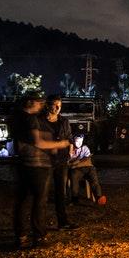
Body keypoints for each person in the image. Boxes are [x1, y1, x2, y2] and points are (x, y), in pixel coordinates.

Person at [7, 93, 72, 249]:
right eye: (40, 102)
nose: (42, 105)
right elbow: (38, 142)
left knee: (22, 201)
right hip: (37, 165)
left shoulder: (16, 118)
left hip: (22, 164)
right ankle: (39, 235)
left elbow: (20, 143)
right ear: (30, 102)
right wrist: (59, 144)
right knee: (39, 201)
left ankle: (21, 236)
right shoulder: (30, 119)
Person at [43, 96, 77, 228]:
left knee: (60, 192)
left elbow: (69, 138)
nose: (57, 108)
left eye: (60, 106)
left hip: (61, 160)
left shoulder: (64, 121)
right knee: (43, 192)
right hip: (46, 160)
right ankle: (40, 223)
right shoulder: (41, 122)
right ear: (48, 105)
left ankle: (62, 221)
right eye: (55, 105)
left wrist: (70, 151)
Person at [68, 135, 105, 207]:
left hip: (88, 167)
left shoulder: (85, 148)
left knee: (94, 179)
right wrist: (71, 153)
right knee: (74, 177)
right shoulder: (70, 149)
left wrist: (78, 161)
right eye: (77, 141)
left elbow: (88, 158)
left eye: (81, 141)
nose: (79, 143)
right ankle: (75, 198)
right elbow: (68, 161)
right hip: (76, 169)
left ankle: (98, 197)